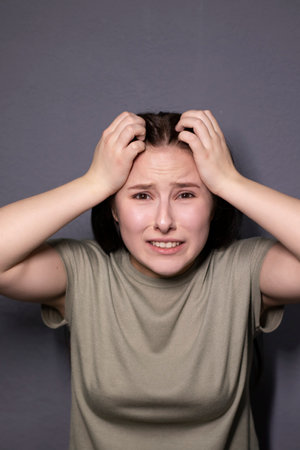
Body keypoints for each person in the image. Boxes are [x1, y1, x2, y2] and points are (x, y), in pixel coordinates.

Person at [0, 110, 299, 450]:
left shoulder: (242, 270)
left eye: (186, 194)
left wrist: (230, 182)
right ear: (113, 208)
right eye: (141, 195)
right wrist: (94, 183)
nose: (163, 221)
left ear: (214, 205)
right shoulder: (83, 272)